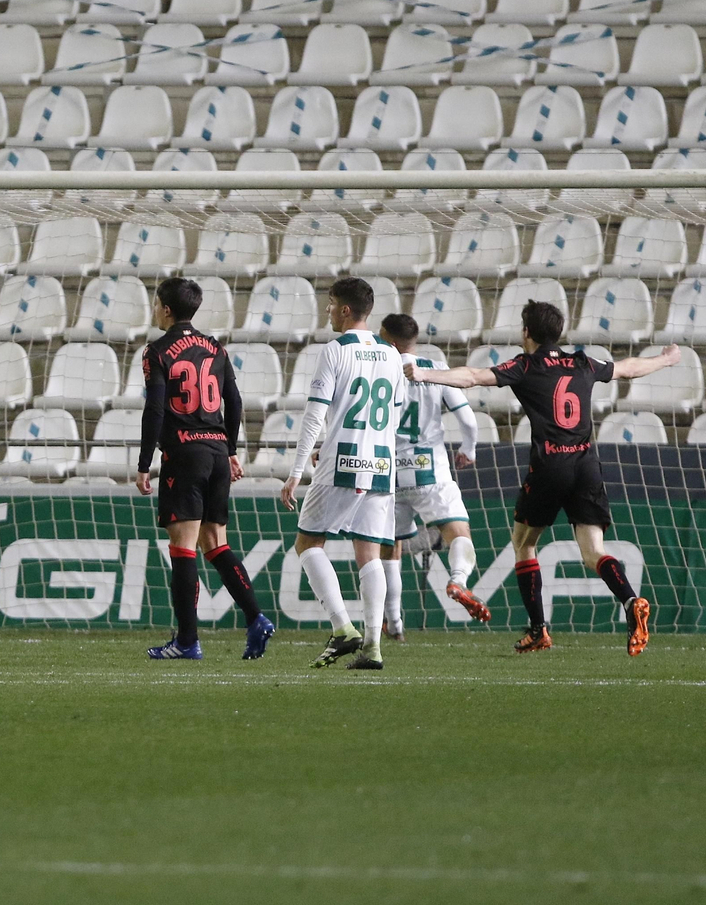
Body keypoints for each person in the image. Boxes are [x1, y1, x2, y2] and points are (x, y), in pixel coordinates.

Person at [407, 301, 679, 656]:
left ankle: (538, 631)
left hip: (550, 465)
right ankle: (630, 601)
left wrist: (425, 375)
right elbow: (627, 369)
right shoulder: (582, 362)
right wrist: (666, 360)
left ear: (526, 332)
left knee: (524, 543)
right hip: (586, 464)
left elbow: (473, 377)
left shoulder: (526, 365)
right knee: (593, 550)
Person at [135, 278, 275, 661]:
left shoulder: (156, 351)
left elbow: (156, 409)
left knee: (182, 549)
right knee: (215, 543)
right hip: (216, 453)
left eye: (155, 303)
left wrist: (144, 463)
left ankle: (187, 640)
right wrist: (230, 450)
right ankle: (256, 617)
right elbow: (234, 401)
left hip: (184, 453)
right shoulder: (216, 348)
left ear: (165, 309)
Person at [280, 277, 407, 671]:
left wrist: (297, 470)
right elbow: (396, 413)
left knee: (307, 543)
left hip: (342, 462)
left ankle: (342, 627)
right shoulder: (391, 354)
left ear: (346, 310)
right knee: (369, 552)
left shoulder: (335, 350)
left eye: (331, 303)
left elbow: (316, 413)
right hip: (383, 464)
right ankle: (373, 646)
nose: (328, 311)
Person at [378, 313, 488, 640]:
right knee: (458, 532)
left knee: (391, 548)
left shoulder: (377, 371)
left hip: (389, 473)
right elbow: (468, 420)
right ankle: (457, 580)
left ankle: (394, 623)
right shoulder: (434, 369)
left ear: (391, 342)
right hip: (430, 470)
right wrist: (468, 449)